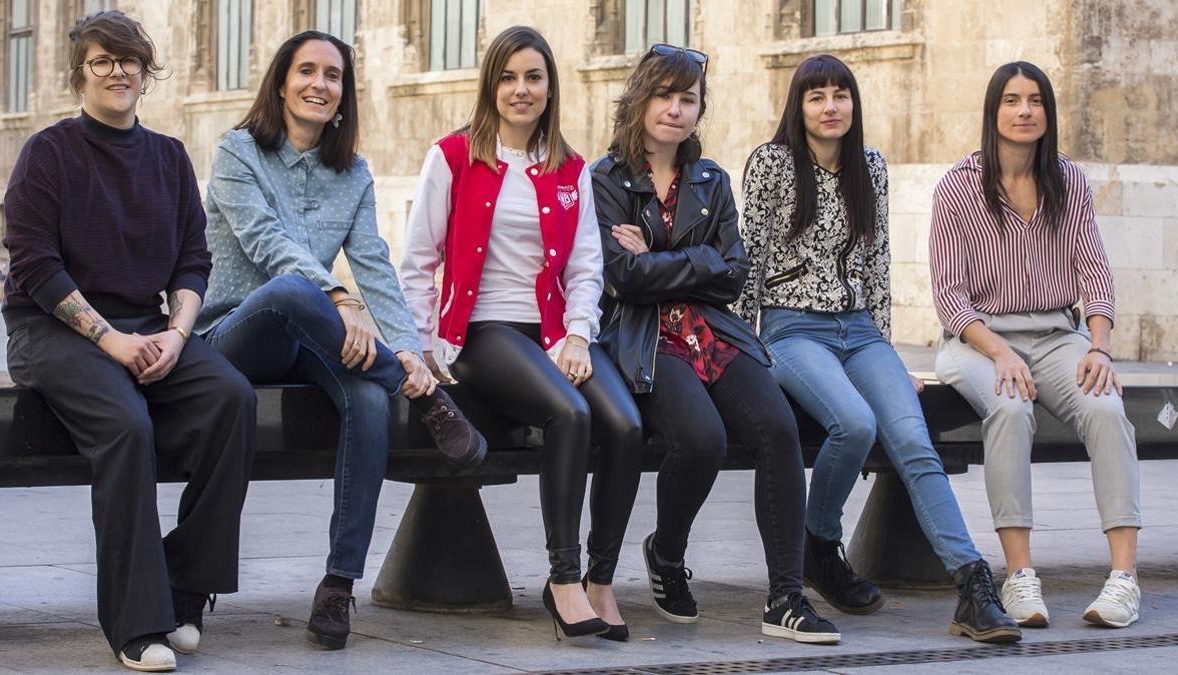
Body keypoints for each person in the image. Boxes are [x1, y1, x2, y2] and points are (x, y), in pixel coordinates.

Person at [197, 30, 486, 650]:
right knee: (292, 292)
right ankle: (432, 402)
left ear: (343, 95)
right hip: (231, 336)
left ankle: (338, 584)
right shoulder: (237, 152)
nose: (319, 85)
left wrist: (408, 350)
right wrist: (338, 298)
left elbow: (376, 264)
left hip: (310, 339)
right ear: (280, 82)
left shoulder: (352, 173)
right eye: (306, 71)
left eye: (333, 76)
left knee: (370, 395)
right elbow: (267, 245)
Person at [1, 10, 256, 671]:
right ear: (79, 74)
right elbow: (33, 262)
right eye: (101, 60)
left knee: (231, 396)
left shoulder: (168, 157)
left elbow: (194, 261)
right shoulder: (49, 153)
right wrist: (110, 339)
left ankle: (184, 589)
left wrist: (177, 332)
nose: (117, 71)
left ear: (146, 72)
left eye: (128, 60)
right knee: (125, 424)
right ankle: (135, 623)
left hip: (148, 325)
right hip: (49, 326)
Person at [737, 53, 1020, 644]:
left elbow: (876, 261)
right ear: (800, 105)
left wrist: (886, 356)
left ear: (854, 104)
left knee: (915, 441)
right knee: (854, 423)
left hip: (860, 330)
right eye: (817, 96)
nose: (831, 106)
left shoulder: (871, 165)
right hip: (792, 329)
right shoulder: (771, 164)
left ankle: (972, 585)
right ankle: (819, 542)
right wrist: (744, 349)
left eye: (841, 95)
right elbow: (750, 259)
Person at [399, 25, 643, 641]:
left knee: (625, 423)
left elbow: (587, 266)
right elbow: (418, 260)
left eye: (533, 77)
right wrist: (426, 344)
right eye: (508, 77)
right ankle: (562, 581)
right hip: (482, 331)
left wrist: (580, 337)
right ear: (491, 85)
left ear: (550, 87)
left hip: (557, 333)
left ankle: (600, 580)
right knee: (569, 414)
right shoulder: (453, 156)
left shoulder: (570, 169)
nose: (520, 89)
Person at [591, 44, 838, 644]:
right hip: (645, 337)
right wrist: (692, 262)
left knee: (778, 431)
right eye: (665, 95)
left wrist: (659, 258)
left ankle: (785, 596)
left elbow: (734, 273)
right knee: (700, 438)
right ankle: (667, 554)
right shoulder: (606, 178)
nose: (675, 110)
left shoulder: (711, 180)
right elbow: (622, 278)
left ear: (700, 109)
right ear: (640, 99)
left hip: (713, 333)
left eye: (688, 99)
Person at [931, 61, 1142, 629]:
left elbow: (1095, 274)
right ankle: (1020, 577)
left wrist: (1098, 347)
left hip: (1057, 334)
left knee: (1105, 407)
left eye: (1035, 101)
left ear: (1048, 112)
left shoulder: (1068, 182)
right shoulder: (959, 186)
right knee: (1009, 405)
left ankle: (1124, 579)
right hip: (976, 338)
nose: (1024, 111)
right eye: (1011, 100)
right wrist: (1000, 353)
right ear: (993, 111)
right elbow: (949, 294)